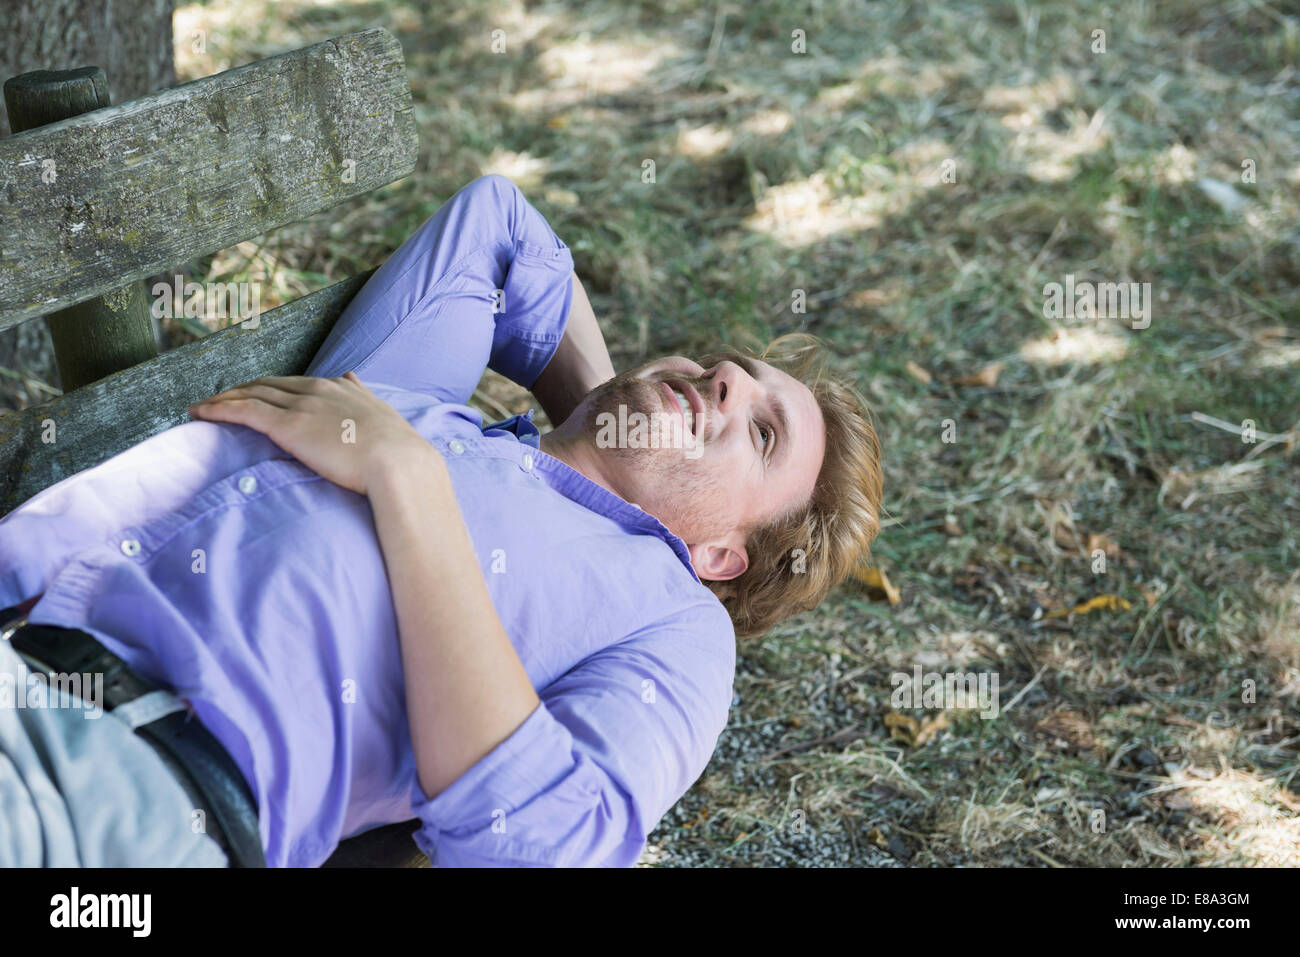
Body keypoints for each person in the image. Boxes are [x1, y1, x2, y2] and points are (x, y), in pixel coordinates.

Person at [0, 174, 882, 867]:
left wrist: (410, 485)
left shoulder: (679, 624)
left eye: (762, 434)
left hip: (131, 791)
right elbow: (500, 228)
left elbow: (545, 842)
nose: (728, 381)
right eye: (730, 367)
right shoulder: (417, 412)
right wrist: (590, 446)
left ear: (722, 556)